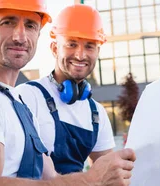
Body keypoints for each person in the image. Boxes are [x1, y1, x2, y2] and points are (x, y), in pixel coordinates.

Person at [0, 0, 135, 185]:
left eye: (30, 25)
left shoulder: (16, 102)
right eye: (8, 22)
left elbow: (52, 179)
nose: (20, 37)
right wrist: (91, 180)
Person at [14, 4, 115, 175]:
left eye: (89, 46)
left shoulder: (96, 114)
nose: (80, 55)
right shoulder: (28, 96)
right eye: (71, 44)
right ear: (54, 48)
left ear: (97, 52)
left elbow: (109, 173)